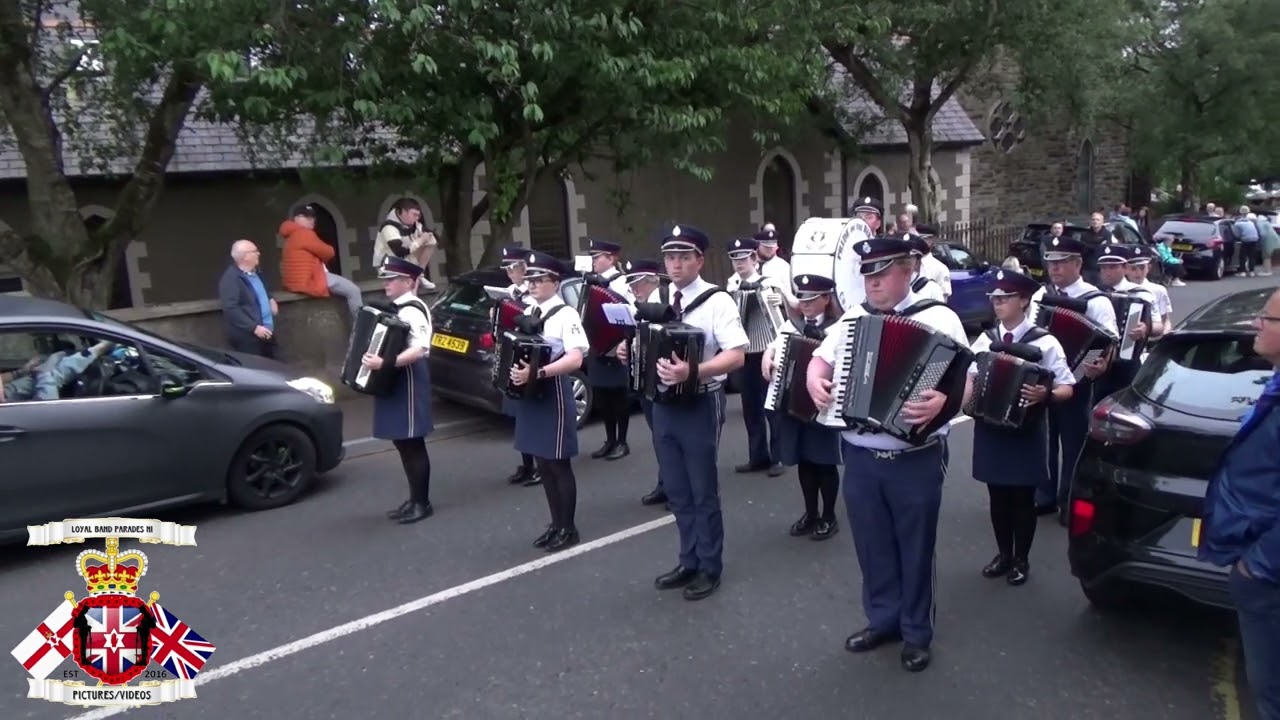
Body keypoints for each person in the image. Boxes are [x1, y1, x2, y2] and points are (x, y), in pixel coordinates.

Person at [806, 236, 971, 672]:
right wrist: (813, 380)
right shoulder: (854, 320)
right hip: (859, 453)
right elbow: (820, 360)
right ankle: (883, 619)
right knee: (871, 544)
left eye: (881, 274)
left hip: (914, 456)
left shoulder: (939, 318)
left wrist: (945, 401)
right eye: (867, 275)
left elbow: (968, 379)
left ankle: (917, 632)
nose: (872, 284)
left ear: (907, 271)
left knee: (915, 548)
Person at [617, 224, 747, 600]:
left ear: (699, 260)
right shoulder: (658, 296)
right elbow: (643, 339)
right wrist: (630, 352)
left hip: (700, 402)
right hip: (662, 404)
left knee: (702, 489)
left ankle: (709, 565)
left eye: (683, 257)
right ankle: (687, 558)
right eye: (670, 257)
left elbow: (737, 355)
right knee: (676, 489)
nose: (675, 264)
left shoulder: (716, 300)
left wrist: (695, 371)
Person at [1198, 286, 1280, 720]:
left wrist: (1258, 566)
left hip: (1269, 575)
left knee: (1272, 693)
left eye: (1266, 319)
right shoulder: (1275, 381)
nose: (1255, 323)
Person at [968, 269, 1075, 585]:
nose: (998, 304)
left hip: (1026, 430)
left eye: (1004, 298)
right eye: (995, 299)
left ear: (1024, 301)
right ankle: (1003, 554)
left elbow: (1068, 386)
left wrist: (1046, 394)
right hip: (990, 428)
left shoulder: (1045, 342)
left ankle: (1021, 559)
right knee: (997, 496)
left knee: (1022, 499)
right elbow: (971, 376)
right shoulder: (987, 340)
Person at [1027, 235, 1118, 519]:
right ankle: (1045, 494)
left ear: (1077, 263)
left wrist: (1099, 365)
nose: (1054, 268)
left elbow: (1108, 341)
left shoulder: (1096, 300)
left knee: (1075, 440)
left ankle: (1070, 498)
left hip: (1078, 379)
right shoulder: (1040, 296)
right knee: (1044, 438)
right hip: (1044, 376)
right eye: (1051, 262)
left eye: (1062, 262)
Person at [510, 250, 590, 552]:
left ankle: (568, 528)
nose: (531, 284)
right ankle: (555, 523)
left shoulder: (566, 314)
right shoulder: (530, 309)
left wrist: (539, 371)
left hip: (553, 392)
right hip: (531, 394)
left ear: (555, 282)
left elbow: (576, 357)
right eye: (529, 279)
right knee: (543, 463)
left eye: (538, 279)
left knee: (558, 464)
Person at [761, 273, 842, 540]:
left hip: (823, 403)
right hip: (795, 403)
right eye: (802, 299)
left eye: (811, 299)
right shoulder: (791, 324)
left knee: (825, 463)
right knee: (804, 461)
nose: (805, 304)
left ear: (826, 299)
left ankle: (829, 515)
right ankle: (811, 513)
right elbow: (776, 345)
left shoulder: (839, 328)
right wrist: (768, 354)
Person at [365, 257, 436, 524]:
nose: (386, 284)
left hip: (408, 379)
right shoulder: (397, 308)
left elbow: (420, 349)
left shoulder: (413, 310)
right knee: (402, 442)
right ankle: (414, 499)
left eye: (391, 279)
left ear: (408, 282)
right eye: (385, 278)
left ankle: (422, 502)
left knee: (412, 441)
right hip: (395, 379)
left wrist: (387, 363)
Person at [726, 236, 785, 476]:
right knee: (751, 406)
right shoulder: (733, 288)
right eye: (735, 260)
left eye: (743, 259)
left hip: (767, 350)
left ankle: (779, 457)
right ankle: (757, 456)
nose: (739, 263)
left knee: (772, 405)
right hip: (746, 352)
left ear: (753, 259)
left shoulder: (768, 282)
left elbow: (782, 317)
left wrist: (779, 301)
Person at [624, 259, 673, 510]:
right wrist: (627, 348)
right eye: (632, 285)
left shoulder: (666, 298)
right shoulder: (639, 305)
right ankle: (665, 484)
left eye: (638, 283)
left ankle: (674, 488)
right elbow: (637, 336)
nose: (634, 289)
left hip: (665, 377)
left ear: (651, 280)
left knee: (668, 437)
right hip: (646, 377)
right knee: (658, 436)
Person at [583, 238, 633, 461]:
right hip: (597, 343)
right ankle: (609, 439)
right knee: (602, 396)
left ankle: (622, 441)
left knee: (619, 396)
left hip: (617, 344)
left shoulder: (622, 283)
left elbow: (630, 313)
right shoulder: (591, 282)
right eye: (592, 257)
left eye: (597, 257)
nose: (593, 261)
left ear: (611, 258)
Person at [498, 246, 542, 488]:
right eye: (507, 268)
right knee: (517, 416)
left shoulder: (533, 297)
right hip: (510, 354)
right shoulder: (508, 294)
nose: (510, 273)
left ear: (525, 269)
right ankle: (526, 464)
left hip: (528, 357)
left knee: (530, 415)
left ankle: (537, 465)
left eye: (514, 267)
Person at [1091, 243, 1155, 401]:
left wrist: (1145, 328)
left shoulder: (1138, 294)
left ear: (1125, 267)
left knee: (1127, 403)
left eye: (1113, 267)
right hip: (1096, 357)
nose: (1107, 272)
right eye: (1103, 268)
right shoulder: (1092, 293)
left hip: (1127, 359)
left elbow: (1153, 324)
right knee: (1094, 401)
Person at [279, 204, 363, 319]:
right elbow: (329, 252)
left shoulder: (290, 234)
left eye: (313, 217)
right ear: (297, 218)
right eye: (307, 217)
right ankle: (361, 328)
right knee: (354, 290)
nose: (312, 220)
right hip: (310, 279)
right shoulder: (304, 233)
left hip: (295, 282)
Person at [0, 339, 117, 403]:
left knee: (49, 362)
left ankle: (90, 352)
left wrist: (20, 372)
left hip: (12, 389)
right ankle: (94, 351)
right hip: (13, 408)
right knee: (50, 375)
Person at [218, 239, 278, 358]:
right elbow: (230, 308)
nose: (258, 254)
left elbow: (260, 290)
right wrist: (254, 328)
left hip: (266, 333)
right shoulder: (231, 279)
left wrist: (270, 299)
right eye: (255, 251)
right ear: (245, 257)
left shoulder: (255, 273)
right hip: (249, 338)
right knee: (257, 371)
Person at [374, 197, 438, 292]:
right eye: (414, 214)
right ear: (403, 212)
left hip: (404, 262)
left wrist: (425, 235)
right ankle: (416, 275)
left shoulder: (412, 224)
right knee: (410, 285)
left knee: (430, 240)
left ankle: (418, 274)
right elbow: (400, 252)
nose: (417, 218)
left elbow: (429, 239)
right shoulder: (389, 227)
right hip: (388, 264)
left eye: (418, 215)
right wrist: (420, 240)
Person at [1124, 245, 1173, 326]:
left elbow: (1165, 320)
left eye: (1142, 268)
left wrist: (1165, 332)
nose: (1138, 273)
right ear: (1125, 269)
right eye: (1133, 268)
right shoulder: (1120, 290)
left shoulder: (1159, 290)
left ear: (1149, 268)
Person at [754, 227, 797, 309]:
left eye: (772, 247)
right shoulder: (750, 264)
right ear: (758, 245)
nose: (770, 250)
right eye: (766, 247)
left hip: (776, 312)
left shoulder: (783, 266)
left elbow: (793, 297)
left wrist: (783, 300)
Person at [903, 234, 947, 302]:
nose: (903, 263)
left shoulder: (932, 289)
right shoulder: (888, 285)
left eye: (907, 259)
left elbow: (942, 308)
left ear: (917, 262)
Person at [913, 225, 952, 299]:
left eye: (921, 239)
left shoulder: (939, 268)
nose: (916, 243)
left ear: (931, 240)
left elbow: (943, 300)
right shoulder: (908, 264)